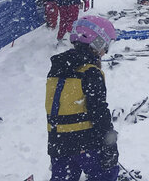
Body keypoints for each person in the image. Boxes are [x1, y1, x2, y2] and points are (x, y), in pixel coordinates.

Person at [45, 15, 120, 181]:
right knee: (105, 175)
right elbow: (99, 111)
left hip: (58, 143)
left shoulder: (57, 69)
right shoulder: (91, 72)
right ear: (97, 42)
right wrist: (109, 143)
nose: (106, 51)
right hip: (85, 143)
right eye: (105, 45)